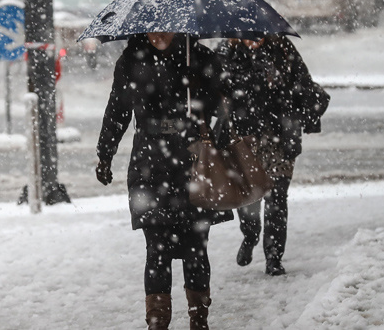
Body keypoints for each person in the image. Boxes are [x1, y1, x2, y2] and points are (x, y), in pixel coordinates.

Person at [95, 32, 233, 330]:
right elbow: (118, 110)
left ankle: (199, 317)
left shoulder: (198, 57)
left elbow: (226, 104)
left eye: (166, 27)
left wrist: (199, 92)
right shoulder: (131, 61)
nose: (158, 33)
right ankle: (157, 321)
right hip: (150, 163)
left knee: (196, 245)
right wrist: (105, 154)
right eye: (152, 27)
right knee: (157, 247)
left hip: (192, 159)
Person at [215, 35, 330, 276]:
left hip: (279, 138)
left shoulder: (282, 49)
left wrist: (303, 105)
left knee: (277, 199)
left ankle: (274, 257)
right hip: (244, 139)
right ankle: (250, 235)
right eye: (247, 34)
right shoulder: (226, 52)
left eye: (258, 33)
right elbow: (213, 91)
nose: (253, 38)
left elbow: (303, 83)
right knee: (249, 198)